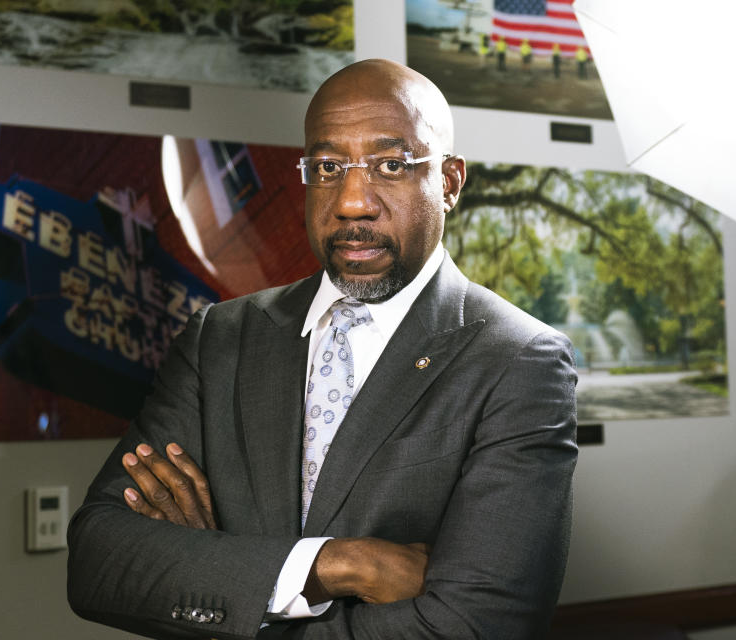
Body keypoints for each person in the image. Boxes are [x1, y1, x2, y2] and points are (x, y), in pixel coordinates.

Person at [67, 58, 578, 640]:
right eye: (329, 166)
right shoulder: (219, 340)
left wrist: (232, 581)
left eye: (391, 165)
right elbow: (97, 561)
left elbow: (480, 623)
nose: (353, 202)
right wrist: (339, 565)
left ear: (450, 181)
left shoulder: (518, 360)